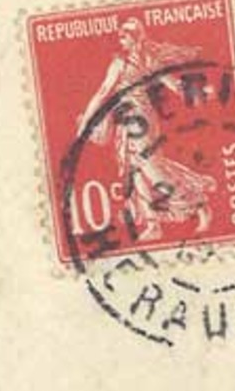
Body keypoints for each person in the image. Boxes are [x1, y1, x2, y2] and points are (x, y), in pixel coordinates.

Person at [74, 18, 216, 242]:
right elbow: (104, 93)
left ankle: (198, 205)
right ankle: (152, 225)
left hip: (140, 120)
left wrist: (84, 124)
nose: (121, 40)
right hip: (127, 120)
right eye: (120, 36)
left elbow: (104, 93)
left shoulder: (134, 61)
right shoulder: (133, 60)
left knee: (152, 170)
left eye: (125, 36)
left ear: (134, 37)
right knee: (134, 171)